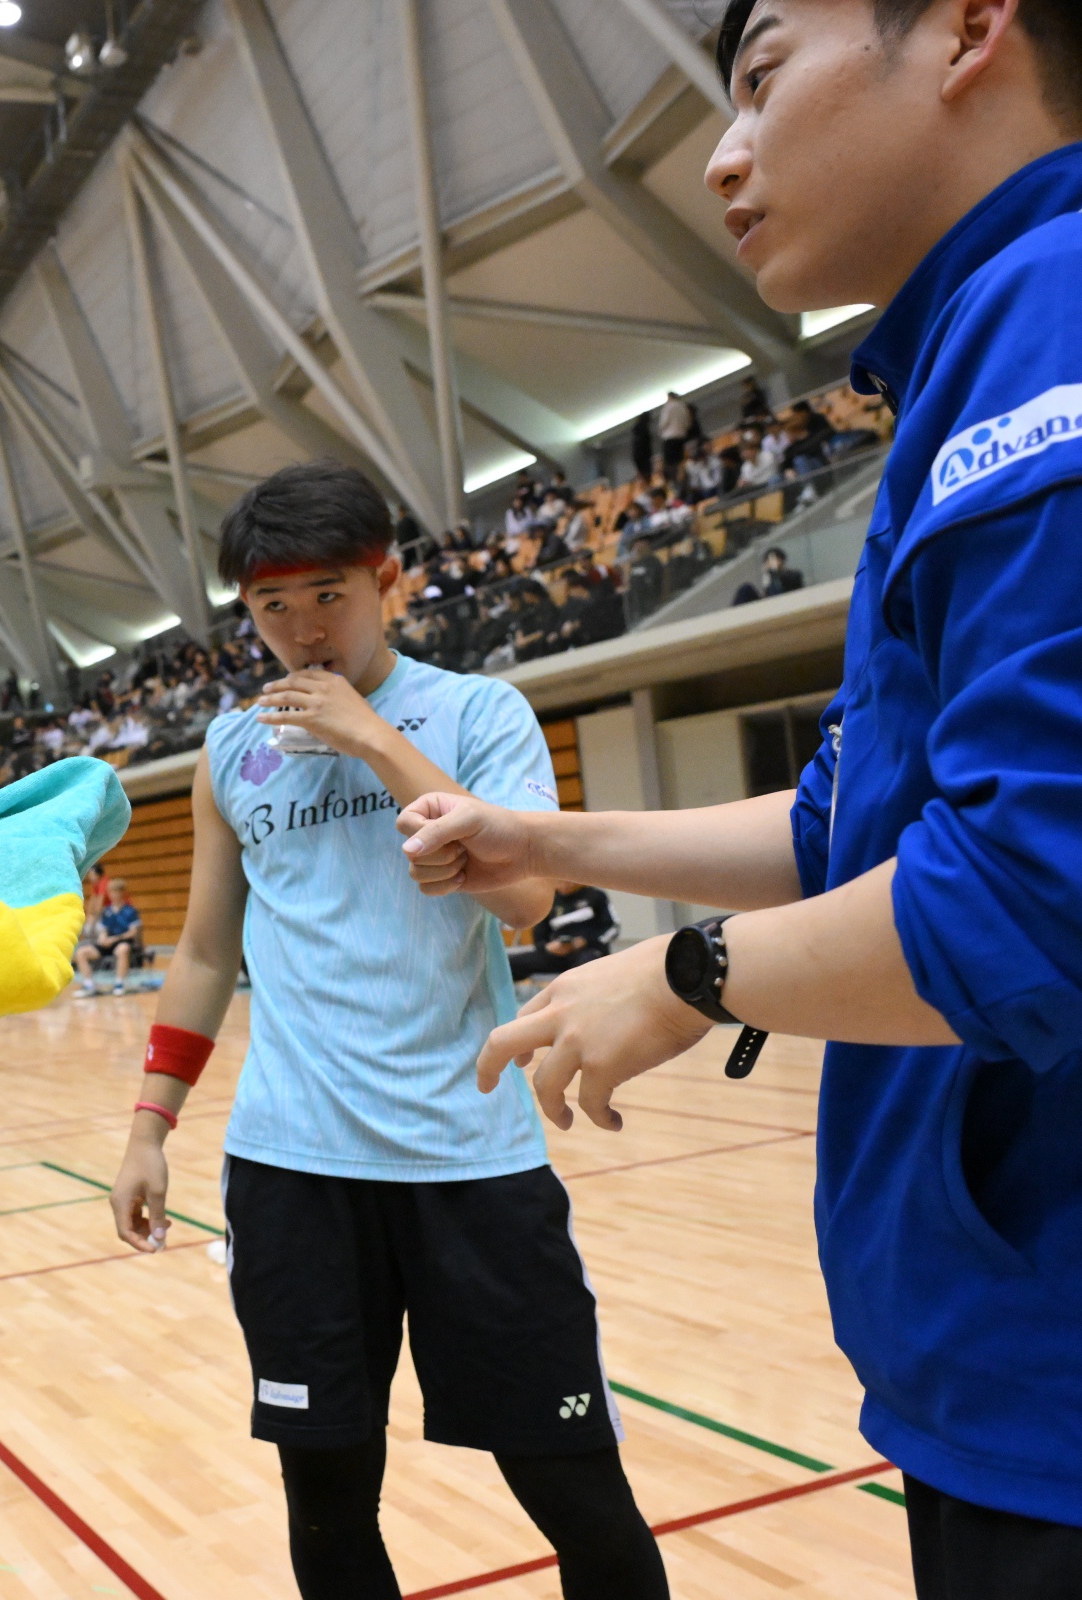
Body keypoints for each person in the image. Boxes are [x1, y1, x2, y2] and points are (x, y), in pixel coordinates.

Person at [400, 1, 1082, 1592]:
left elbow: (1067, 898)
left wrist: (686, 975)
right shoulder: (990, 348)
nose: (722, 158)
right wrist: (545, 838)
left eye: (760, 80)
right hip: (1025, 1373)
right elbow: (844, 823)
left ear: (971, 28)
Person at [109, 462, 668, 1600]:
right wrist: (148, 1128)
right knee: (326, 1502)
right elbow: (207, 953)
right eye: (272, 606)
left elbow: (526, 900)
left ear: (389, 581)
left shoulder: (476, 714)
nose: (303, 630)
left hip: (470, 1160)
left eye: (330, 595)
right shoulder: (229, 752)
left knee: (575, 1490)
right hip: (293, 1171)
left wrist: (372, 738)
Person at [507, 886, 617, 985]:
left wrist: (587, 941)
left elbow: (613, 928)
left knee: (585, 966)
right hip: (558, 954)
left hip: (588, 951)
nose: (563, 884)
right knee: (509, 964)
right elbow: (539, 937)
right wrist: (548, 947)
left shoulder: (595, 895)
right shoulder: (550, 901)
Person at [74, 879, 143, 997]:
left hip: (123, 942)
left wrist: (114, 939)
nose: (113, 895)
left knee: (122, 949)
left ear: (123, 893)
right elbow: (104, 930)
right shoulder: (107, 911)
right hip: (107, 944)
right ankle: (89, 984)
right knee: (81, 953)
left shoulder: (130, 911)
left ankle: (120, 983)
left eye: (116, 892)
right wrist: (103, 938)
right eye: (111, 892)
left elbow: (133, 932)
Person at [731, 544, 804, 605]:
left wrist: (774, 572)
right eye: (768, 561)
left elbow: (790, 585)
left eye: (773, 560)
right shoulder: (768, 578)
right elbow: (766, 595)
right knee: (745, 588)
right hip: (768, 604)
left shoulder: (793, 575)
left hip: (785, 602)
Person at [655, 388, 697, 474]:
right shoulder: (683, 406)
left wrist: (660, 432)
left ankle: (674, 476)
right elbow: (687, 422)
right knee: (680, 460)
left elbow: (664, 422)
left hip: (670, 437)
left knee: (671, 462)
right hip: (681, 436)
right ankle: (682, 475)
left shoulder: (668, 407)